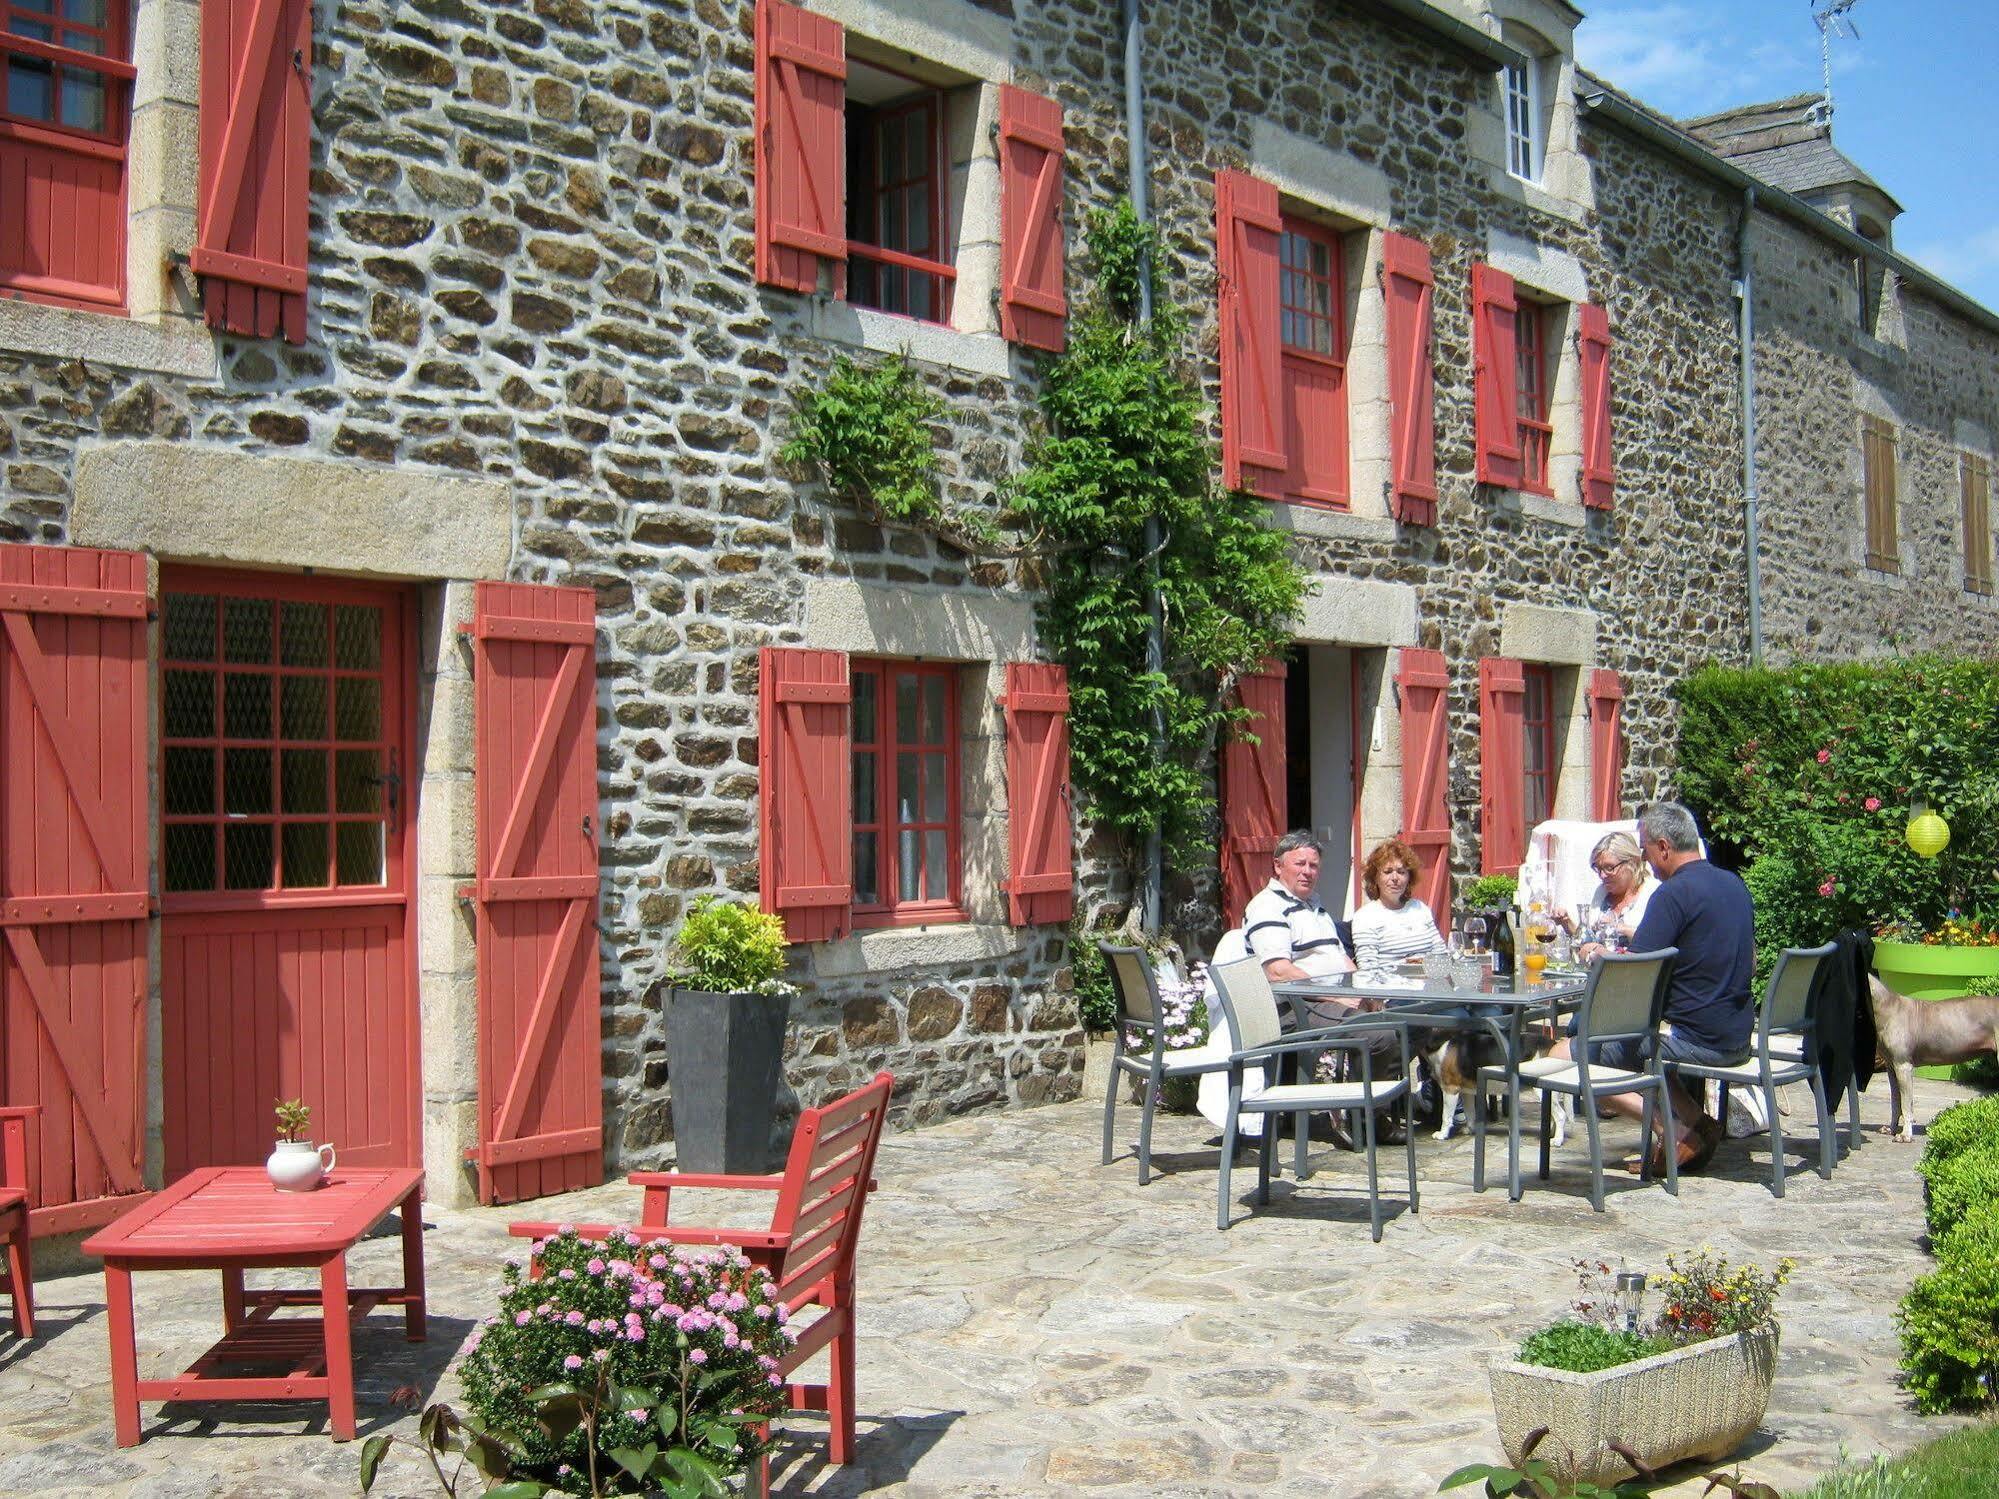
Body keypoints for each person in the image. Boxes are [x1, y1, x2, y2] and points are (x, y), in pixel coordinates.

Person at [1552, 801, 1754, 1173]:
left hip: (1698, 1041)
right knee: (1614, 1035)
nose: (1645, 859)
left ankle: (1674, 1130)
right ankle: (1699, 1124)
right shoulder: (1734, 884)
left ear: (1664, 847)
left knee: (1566, 1054)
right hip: (1737, 1034)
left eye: (1645, 849)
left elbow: (1633, 981)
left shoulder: (1673, 895)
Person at [1243, 831, 1357, 983]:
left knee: (1391, 1006)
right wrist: (1336, 997)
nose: (1307, 872)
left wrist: (1365, 994)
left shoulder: (1317, 909)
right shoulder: (1267, 906)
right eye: (1300, 864)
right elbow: (1278, 972)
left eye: (1313, 866)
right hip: (1302, 1002)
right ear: (1278, 866)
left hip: (1335, 997)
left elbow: (1342, 959)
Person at [1349, 838, 1448, 970]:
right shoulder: (1366, 917)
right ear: (1375, 878)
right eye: (1388, 872)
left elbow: (1441, 954)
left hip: (1430, 984)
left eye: (1401, 872)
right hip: (1392, 987)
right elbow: (1368, 968)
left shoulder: (1420, 909)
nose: (1395, 878)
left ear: (1409, 878)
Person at [1551, 830, 1655, 949]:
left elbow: (1655, 943)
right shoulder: (1602, 893)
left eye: (1609, 867)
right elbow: (1589, 942)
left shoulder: (1652, 894)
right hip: (1599, 966)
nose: (1602, 875)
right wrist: (1566, 923)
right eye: (1598, 868)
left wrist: (1622, 929)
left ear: (1633, 862)